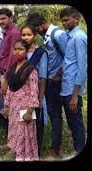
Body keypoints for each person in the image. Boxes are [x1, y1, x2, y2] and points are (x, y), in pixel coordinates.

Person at [26, 12, 68, 157]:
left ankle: (55, 148)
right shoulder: (46, 37)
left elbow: (69, 57)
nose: (36, 33)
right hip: (51, 81)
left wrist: (59, 74)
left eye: (37, 29)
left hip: (58, 81)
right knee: (52, 113)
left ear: (42, 24)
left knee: (56, 115)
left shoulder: (58, 34)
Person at [2, 39, 39, 161]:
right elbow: (9, 88)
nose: (17, 52)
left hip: (25, 107)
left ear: (27, 51)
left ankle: (27, 157)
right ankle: (18, 154)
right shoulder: (12, 67)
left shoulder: (31, 69)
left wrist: (29, 111)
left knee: (25, 134)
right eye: (15, 49)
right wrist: (6, 106)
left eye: (21, 49)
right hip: (13, 106)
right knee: (15, 132)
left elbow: (34, 91)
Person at [59, 7, 86, 154]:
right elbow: (69, 62)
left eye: (67, 20)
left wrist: (75, 95)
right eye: (62, 21)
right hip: (66, 87)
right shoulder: (70, 36)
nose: (64, 23)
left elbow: (82, 68)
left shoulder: (79, 37)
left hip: (72, 90)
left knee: (76, 124)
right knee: (71, 122)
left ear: (76, 19)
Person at [21, 24, 48, 156]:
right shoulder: (20, 51)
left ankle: (36, 152)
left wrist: (40, 98)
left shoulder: (41, 53)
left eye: (29, 34)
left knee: (36, 122)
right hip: (22, 94)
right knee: (24, 121)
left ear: (35, 36)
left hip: (35, 93)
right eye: (23, 35)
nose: (26, 37)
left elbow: (43, 78)